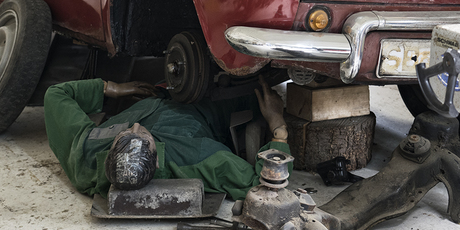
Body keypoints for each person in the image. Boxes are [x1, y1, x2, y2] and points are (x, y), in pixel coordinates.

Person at [44, 76, 290, 200]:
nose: (136, 126)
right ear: (156, 157)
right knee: (259, 86)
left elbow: (56, 94)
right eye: (144, 135)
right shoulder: (196, 159)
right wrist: (277, 124)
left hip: (159, 89)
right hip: (208, 102)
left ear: (109, 153)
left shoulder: (85, 158)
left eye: (124, 135)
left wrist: (113, 88)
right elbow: (266, 187)